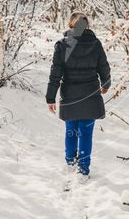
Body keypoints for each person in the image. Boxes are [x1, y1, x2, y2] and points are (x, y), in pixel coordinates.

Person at [46, 12, 111, 178]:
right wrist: (105, 84)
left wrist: (50, 97)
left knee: (71, 131)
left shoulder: (62, 45)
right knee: (86, 132)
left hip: (69, 95)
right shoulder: (95, 44)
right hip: (90, 94)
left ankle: (70, 161)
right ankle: (83, 168)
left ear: (71, 25)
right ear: (86, 26)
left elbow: (55, 74)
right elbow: (104, 67)